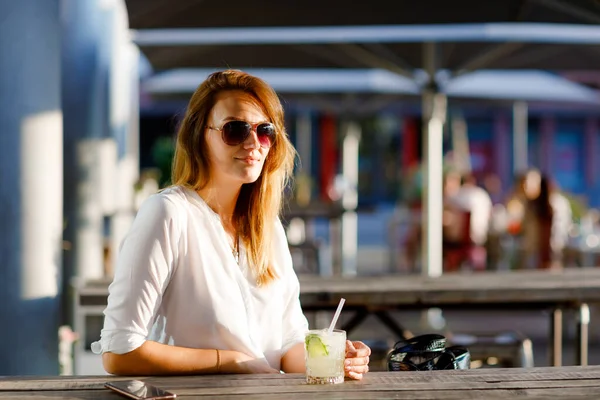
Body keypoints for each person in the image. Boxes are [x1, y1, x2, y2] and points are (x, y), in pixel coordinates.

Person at [91, 70, 371, 378]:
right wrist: (232, 361)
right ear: (200, 136)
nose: (254, 143)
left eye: (265, 130)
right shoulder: (169, 213)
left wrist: (328, 358)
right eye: (235, 130)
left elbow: (288, 342)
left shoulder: (268, 229)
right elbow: (119, 350)